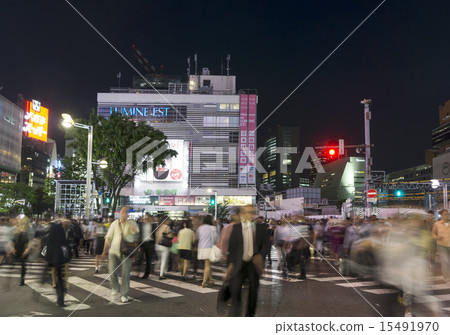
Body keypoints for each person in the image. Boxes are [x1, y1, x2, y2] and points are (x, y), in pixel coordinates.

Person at [225, 205, 270, 317]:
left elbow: (266, 244)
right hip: (239, 264)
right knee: (235, 292)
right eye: (245, 212)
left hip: (253, 264)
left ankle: (249, 315)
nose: (248, 215)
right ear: (241, 214)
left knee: (253, 293)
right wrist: (229, 265)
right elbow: (232, 247)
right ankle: (235, 313)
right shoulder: (236, 228)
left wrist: (261, 255)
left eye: (250, 212)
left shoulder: (261, 228)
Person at [101, 206, 139, 303]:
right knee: (112, 272)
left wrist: (127, 221)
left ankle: (124, 294)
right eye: (123, 211)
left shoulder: (132, 222)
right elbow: (108, 237)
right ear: (119, 212)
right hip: (113, 251)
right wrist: (104, 251)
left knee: (125, 274)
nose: (124, 213)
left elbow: (135, 231)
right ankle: (115, 289)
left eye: (126, 211)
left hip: (126, 252)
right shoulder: (114, 223)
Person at [46, 218, 72, 307]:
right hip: (59, 259)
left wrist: (46, 258)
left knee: (59, 276)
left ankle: (60, 299)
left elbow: (46, 248)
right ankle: (60, 299)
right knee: (60, 278)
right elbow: (65, 248)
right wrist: (66, 258)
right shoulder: (61, 238)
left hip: (54, 258)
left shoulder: (51, 238)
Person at [11, 215, 34, 286]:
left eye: (23, 220)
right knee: (13, 263)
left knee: (23, 264)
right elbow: (13, 240)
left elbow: (30, 240)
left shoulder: (29, 229)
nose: (21, 221)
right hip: (17, 247)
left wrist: (27, 249)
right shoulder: (16, 228)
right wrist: (13, 248)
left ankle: (22, 280)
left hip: (24, 248)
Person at [196, 215, 217, 287]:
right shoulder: (213, 228)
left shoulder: (200, 228)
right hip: (209, 247)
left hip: (201, 247)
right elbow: (215, 239)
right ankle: (204, 282)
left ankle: (211, 280)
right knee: (207, 265)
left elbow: (198, 237)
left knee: (207, 264)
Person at [432, 209, 450, 283]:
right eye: (445, 214)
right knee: (445, 261)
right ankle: (447, 277)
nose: (447, 215)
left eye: (448, 214)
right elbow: (433, 233)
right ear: (442, 215)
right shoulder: (437, 224)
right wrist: (437, 237)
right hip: (442, 245)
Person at [139, 213, 156, 279]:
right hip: (143, 243)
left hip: (150, 243)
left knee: (148, 259)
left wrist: (154, 243)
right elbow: (140, 234)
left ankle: (147, 273)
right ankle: (139, 271)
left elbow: (155, 235)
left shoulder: (153, 226)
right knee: (141, 258)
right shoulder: (142, 225)